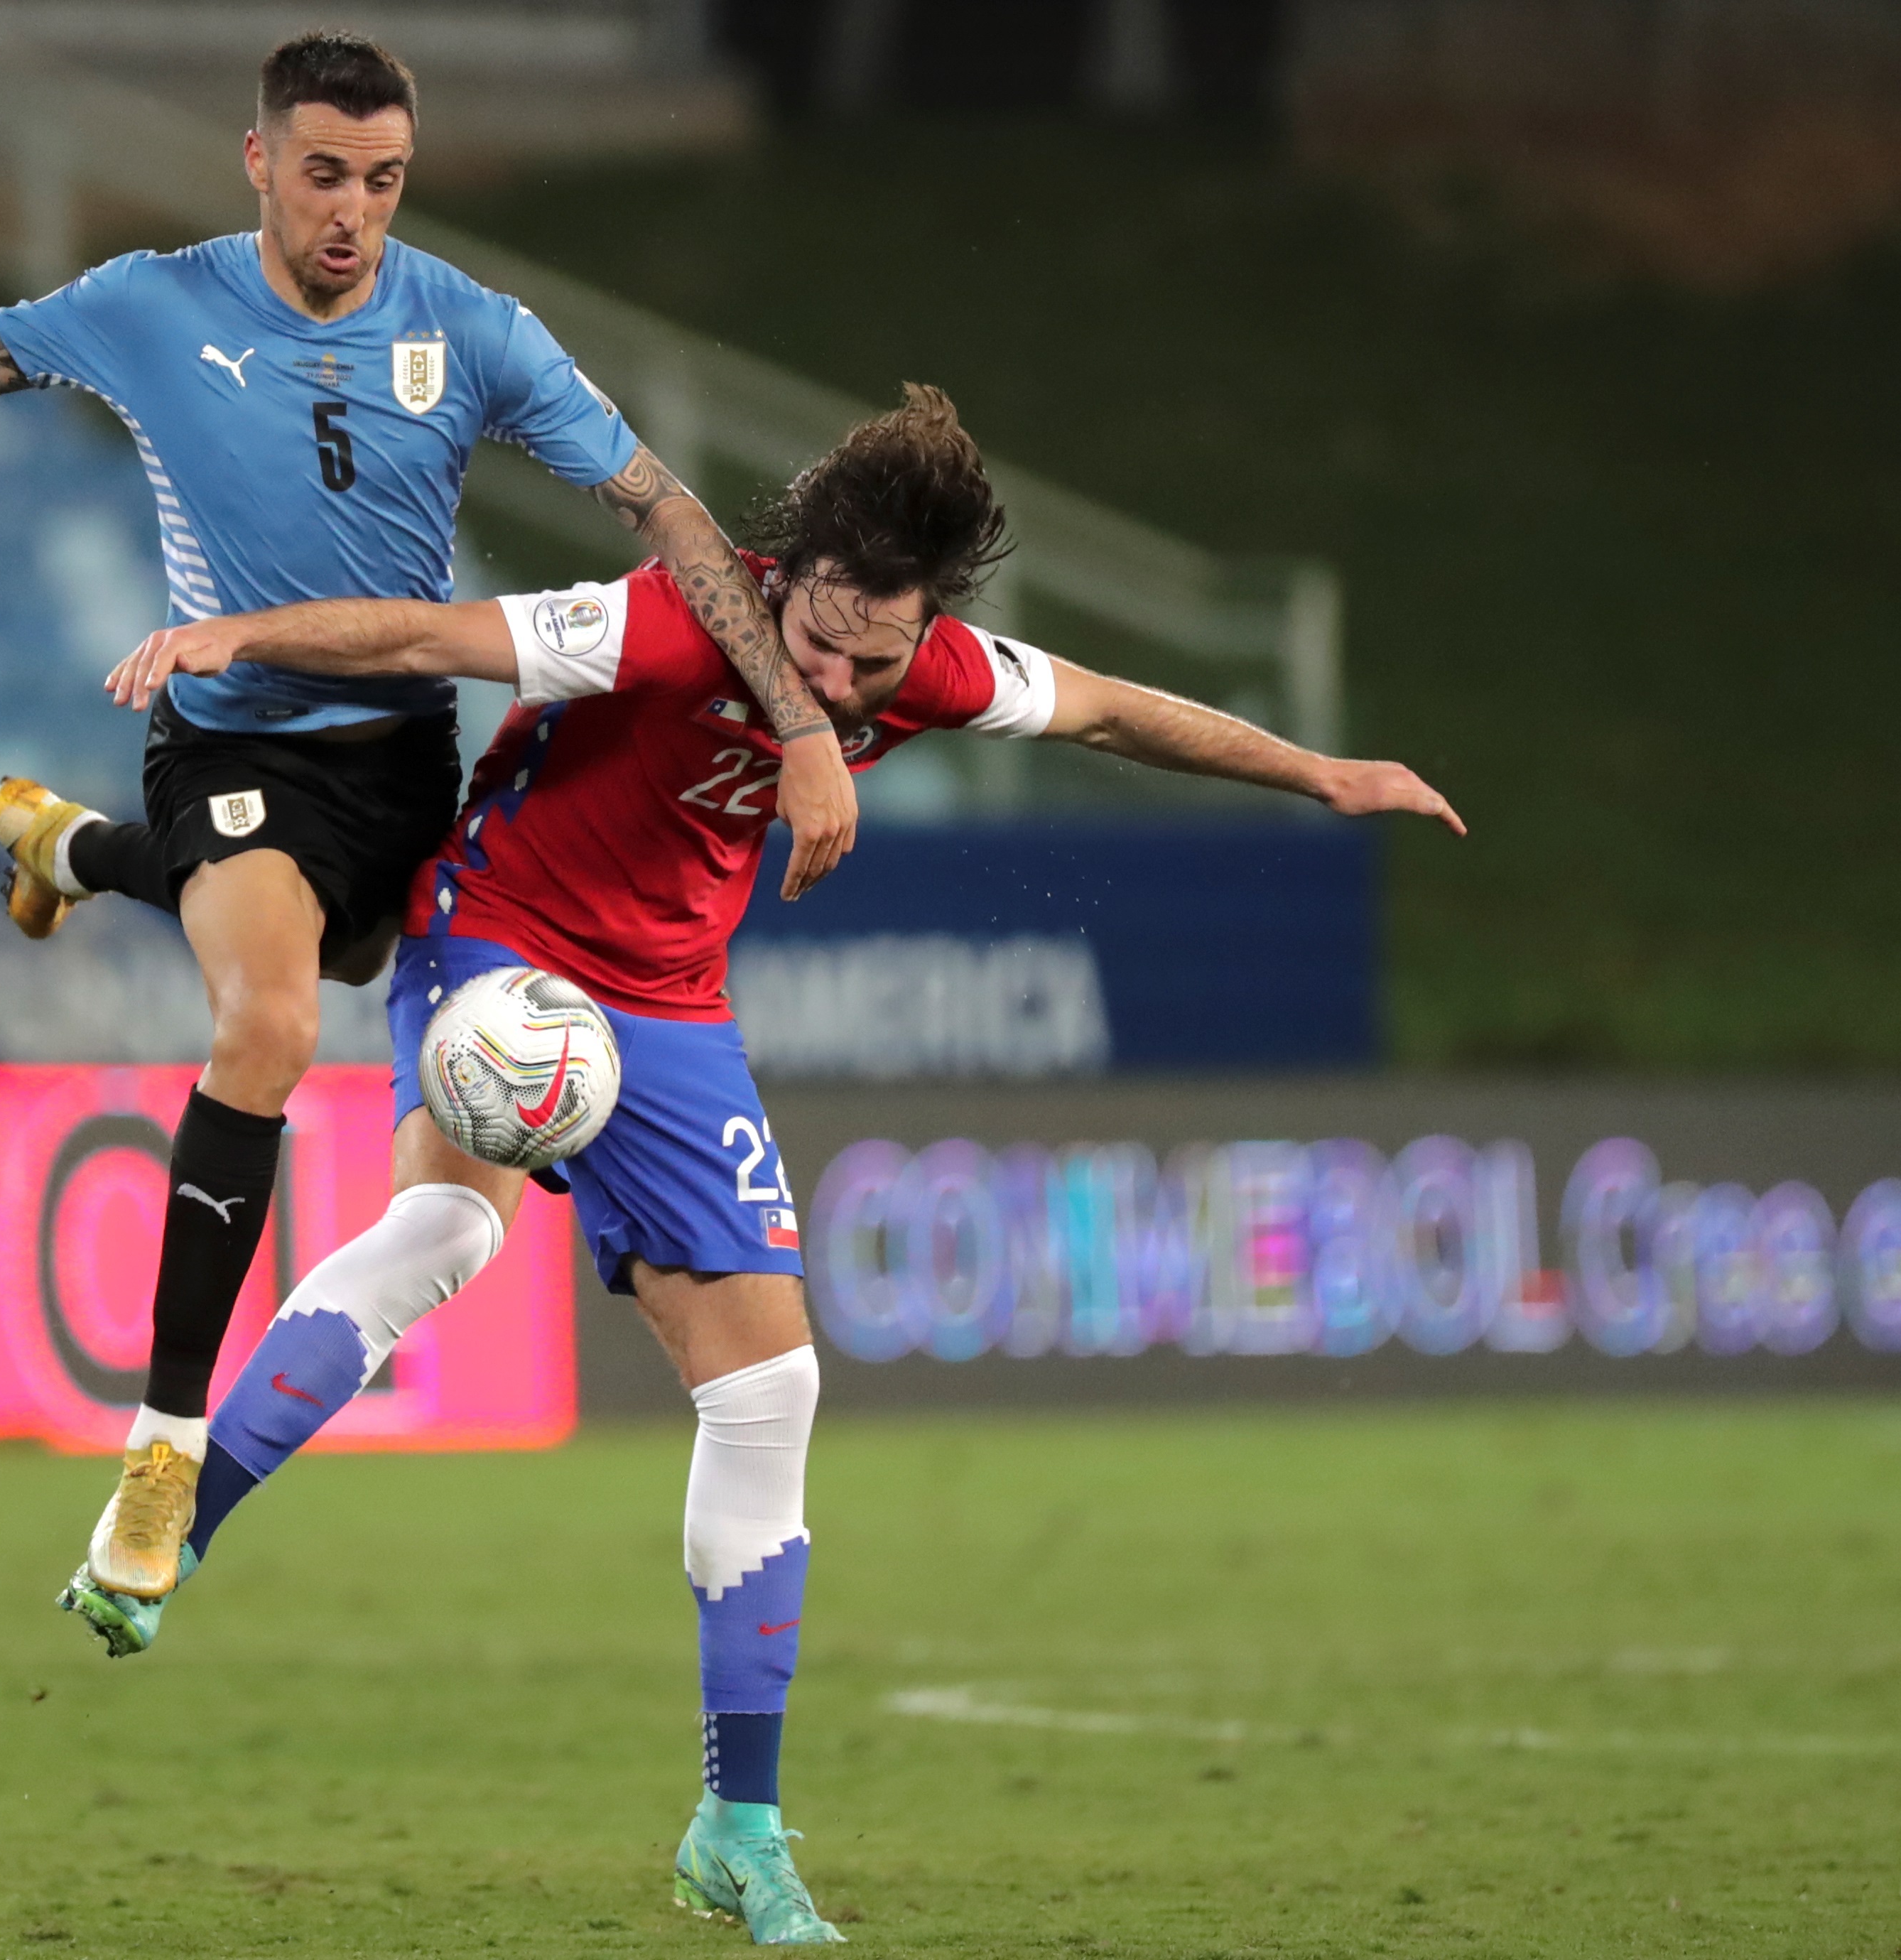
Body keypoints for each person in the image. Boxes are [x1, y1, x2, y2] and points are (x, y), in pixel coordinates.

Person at [74, 387, 1464, 1942]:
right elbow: (426, 638)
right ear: (782, 569)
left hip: (671, 1003)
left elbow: (1116, 709)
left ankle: (736, 1829)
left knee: (770, 1388)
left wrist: (1321, 776)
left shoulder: (918, 667)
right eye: (822, 644)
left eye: (878, 660)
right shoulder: (657, 624)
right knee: (449, 1237)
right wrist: (232, 636)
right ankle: (168, 1523)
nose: (845, 682)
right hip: (503, 938)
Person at [0, 31, 857, 1605]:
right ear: (261, 159)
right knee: (271, 1025)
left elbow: (666, 508)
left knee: (353, 962)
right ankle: (162, 1449)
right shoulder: (159, 304)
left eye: (386, 182)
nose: (354, 210)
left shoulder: (472, 329)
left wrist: (799, 714)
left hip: (404, 760)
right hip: (230, 742)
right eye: (327, 173)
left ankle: (68, 853)